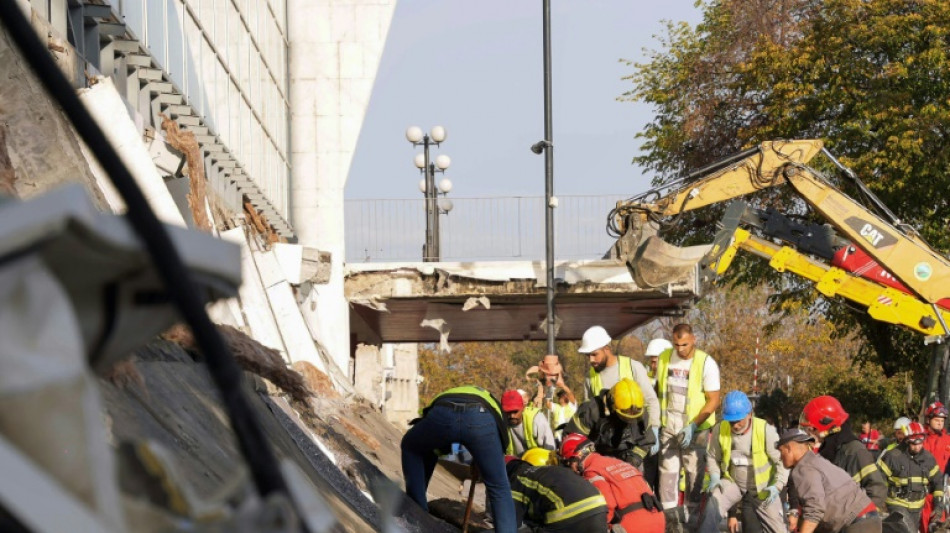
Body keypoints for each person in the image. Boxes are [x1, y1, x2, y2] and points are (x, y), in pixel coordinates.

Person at [400, 385, 517, 532]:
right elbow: (500, 445)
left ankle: (417, 514)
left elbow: (433, 448)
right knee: (499, 487)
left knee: (412, 447)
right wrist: (482, 461)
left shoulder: (445, 395)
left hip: (443, 413)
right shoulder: (495, 409)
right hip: (481, 417)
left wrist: (477, 460)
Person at [655, 323, 721, 529]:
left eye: (684, 344)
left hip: (695, 430)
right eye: (676, 344)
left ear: (693, 339)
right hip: (669, 426)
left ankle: (692, 521)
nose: (680, 349)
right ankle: (670, 520)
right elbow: (660, 391)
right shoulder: (665, 358)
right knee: (667, 475)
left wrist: (693, 426)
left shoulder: (706, 363)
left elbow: (713, 400)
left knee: (694, 476)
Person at [699, 391, 788, 533]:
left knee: (778, 529)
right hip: (733, 483)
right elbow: (712, 456)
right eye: (731, 421)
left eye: (738, 420)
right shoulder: (720, 429)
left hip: (763, 487)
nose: (735, 425)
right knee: (712, 506)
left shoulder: (765, 430)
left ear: (749, 414)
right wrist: (715, 476)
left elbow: (783, 461)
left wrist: (777, 486)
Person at [776, 428, 882, 533]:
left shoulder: (804, 469)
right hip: (867, 518)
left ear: (789, 448)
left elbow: (814, 509)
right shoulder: (817, 461)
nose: (780, 457)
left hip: (856, 523)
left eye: (781, 451)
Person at [559, 433, 665, 533]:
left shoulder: (592, 472)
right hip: (658, 521)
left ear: (576, 458)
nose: (569, 469)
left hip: (633, 526)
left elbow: (604, 508)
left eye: (568, 463)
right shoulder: (619, 463)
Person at [798, 395, 888, 512]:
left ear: (827, 426)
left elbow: (877, 489)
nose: (810, 433)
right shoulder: (828, 451)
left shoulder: (854, 451)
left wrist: (864, 519)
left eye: (813, 429)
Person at [578, 325, 661, 449]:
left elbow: (650, 401)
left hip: (633, 442)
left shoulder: (633, 367)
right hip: (606, 445)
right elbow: (589, 413)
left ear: (606, 349)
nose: (591, 360)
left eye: (594, 354)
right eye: (588, 355)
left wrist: (653, 428)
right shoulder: (590, 377)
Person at [504, 456, 609, 532]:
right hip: (599, 507)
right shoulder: (546, 470)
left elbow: (511, 524)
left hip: (568, 516)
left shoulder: (515, 481)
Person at [877, 421, 944, 533]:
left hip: (917, 509)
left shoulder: (928, 459)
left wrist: (938, 507)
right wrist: (878, 505)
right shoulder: (893, 457)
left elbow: (938, 483)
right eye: (913, 444)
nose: (917, 447)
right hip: (896, 505)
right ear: (907, 440)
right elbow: (878, 480)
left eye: (920, 443)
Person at [922, 402, 950, 533]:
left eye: (942, 420)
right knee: (923, 526)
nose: (940, 423)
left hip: (942, 493)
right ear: (929, 420)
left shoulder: (948, 441)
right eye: (937, 420)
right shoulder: (920, 440)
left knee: (940, 527)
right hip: (923, 492)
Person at [501, 389, 556, 455]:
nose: (512, 416)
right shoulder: (501, 425)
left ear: (523, 408)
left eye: (515, 411)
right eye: (508, 412)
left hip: (540, 463)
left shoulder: (536, 419)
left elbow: (550, 449)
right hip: (516, 464)